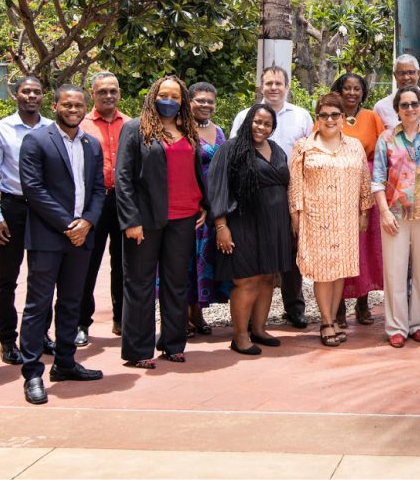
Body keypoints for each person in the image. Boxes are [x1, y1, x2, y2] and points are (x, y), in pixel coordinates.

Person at [16, 85, 107, 404]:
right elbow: (34, 189)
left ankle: (65, 363)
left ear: (85, 108)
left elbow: (98, 190)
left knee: (71, 302)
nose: (73, 109)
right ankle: (31, 373)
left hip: (82, 238)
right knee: (37, 306)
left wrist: (88, 222)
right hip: (48, 237)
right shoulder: (36, 140)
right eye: (67, 104)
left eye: (79, 105)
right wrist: (70, 225)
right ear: (55, 106)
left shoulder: (91, 144)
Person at [115, 75, 209, 368]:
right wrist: (130, 219)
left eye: (176, 97)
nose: (168, 101)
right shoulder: (135, 129)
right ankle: (138, 351)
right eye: (163, 95)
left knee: (175, 284)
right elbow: (123, 178)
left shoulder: (188, 130)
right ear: (153, 95)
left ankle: (172, 344)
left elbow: (194, 171)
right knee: (140, 285)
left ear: (183, 102)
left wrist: (203, 203)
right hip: (145, 220)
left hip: (184, 219)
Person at [232, 67, 313, 329]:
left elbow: (312, 153)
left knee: (290, 253)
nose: (274, 87)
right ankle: (252, 320)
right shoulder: (245, 116)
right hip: (252, 197)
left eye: (279, 83)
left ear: (287, 87)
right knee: (256, 259)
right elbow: (234, 153)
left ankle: (294, 308)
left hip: (290, 192)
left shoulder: (301, 116)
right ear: (261, 86)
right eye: (269, 83)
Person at [209, 104, 294, 355]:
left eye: (267, 124)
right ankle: (240, 336)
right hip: (242, 222)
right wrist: (221, 225)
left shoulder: (276, 149)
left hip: (274, 223)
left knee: (268, 276)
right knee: (247, 280)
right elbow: (218, 187)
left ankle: (259, 329)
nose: (261, 127)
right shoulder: (231, 149)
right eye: (257, 121)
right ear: (248, 121)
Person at [289, 93, 373, 347]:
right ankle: (326, 321)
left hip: (346, 217)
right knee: (323, 272)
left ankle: (335, 318)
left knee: (340, 271)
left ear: (343, 118)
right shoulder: (303, 146)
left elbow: (364, 182)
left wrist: (364, 212)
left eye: (334, 114)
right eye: (323, 115)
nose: (329, 119)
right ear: (317, 118)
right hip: (316, 218)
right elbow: (295, 184)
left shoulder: (354, 146)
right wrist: (295, 215)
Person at [372, 86, 420, 347]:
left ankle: (418, 323)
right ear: (397, 110)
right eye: (404, 105)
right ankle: (396, 326)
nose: (410, 109)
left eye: (414, 104)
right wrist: (383, 211)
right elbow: (378, 180)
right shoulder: (386, 139)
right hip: (394, 214)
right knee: (394, 272)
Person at [0, 76, 54, 366]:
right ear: (14, 94)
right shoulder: (0, 130)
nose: (31, 96)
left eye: (37, 92)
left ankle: (40, 335)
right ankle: (7, 340)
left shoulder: (52, 128)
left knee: (43, 276)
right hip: (12, 208)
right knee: (8, 278)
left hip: (44, 210)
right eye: (25, 91)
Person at [331, 72, 386, 328]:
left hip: (367, 190)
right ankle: (338, 306)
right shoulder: (330, 115)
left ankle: (362, 302)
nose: (352, 93)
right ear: (339, 91)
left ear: (363, 92)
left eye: (357, 89)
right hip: (337, 191)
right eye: (347, 88)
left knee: (365, 247)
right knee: (341, 247)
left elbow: (385, 150)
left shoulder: (372, 118)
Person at [79, 71, 129, 340]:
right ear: (92, 94)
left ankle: (121, 319)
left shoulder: (132, 125)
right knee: (87, 263)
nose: (108, 96)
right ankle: (81, 322)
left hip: (123, 203)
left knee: (123, 264)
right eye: (102, 92)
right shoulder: (82, 125)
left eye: (113, 90)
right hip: (93, 204)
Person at [184, 82, 227, 336]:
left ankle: (198, 313)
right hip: (191, 207)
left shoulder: (219, 130)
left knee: (205, 260)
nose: (206, 105)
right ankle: (185, 317)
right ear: (189, 102)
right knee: (187, 261)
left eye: (210, 101)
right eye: (200, 100)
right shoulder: (180, 131)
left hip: (215, 208)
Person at [374, 53, 420, 134]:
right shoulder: (381, 107)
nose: (406, 77)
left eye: (411, 72)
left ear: (418, 73)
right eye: (401, 73)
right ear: (395, 75)